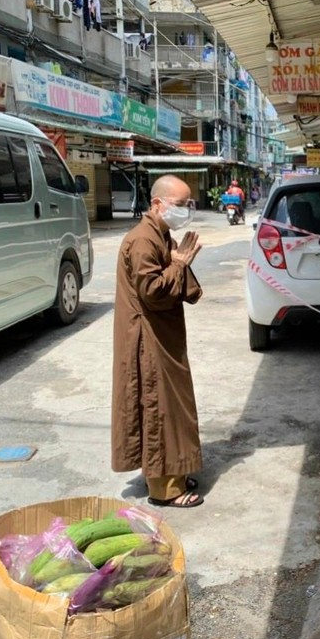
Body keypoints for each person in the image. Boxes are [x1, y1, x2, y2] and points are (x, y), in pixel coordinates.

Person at [111, 175, 205, 508]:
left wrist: (179, 265)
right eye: (180, 205)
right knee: (159, 408)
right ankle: (166, 489)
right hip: (148, 337)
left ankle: (173, 473)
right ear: (157, 204)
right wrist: (178, 264)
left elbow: (171, 280)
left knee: (172, 406)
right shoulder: (142, 240)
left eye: (187, 205)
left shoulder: (159, 234)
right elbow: (151, 292)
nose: (185, 211)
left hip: (162, 334)